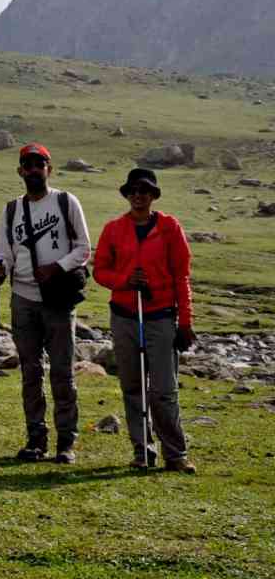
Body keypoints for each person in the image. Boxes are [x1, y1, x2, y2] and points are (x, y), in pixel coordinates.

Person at [0, 143, 91, 464]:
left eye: (40, 164)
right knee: (30, 371)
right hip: (22, 298)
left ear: (50, 169)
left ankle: (66, 442)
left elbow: (84, 248)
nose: (34, 170)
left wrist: (56, 267)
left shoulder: (65, 201)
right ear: (20, 171)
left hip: (58, 298)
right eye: (27, 165)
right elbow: (3, 251)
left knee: (62, 371)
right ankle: (36, 439)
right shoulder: (11, 210)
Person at [93, 169, 197, 473]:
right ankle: (143, 452)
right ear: (127, 194)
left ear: (153, 195)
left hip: (161, 316)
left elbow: (182, 276)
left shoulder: (169, 227)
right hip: (125, 316)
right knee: (133, 386)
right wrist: (126, 280)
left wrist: (186, 322)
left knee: (164, 389)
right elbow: (100, 271)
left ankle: (175, 454)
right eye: (134, 190)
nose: (139, 195)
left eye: (145, 190)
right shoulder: (114, 229)